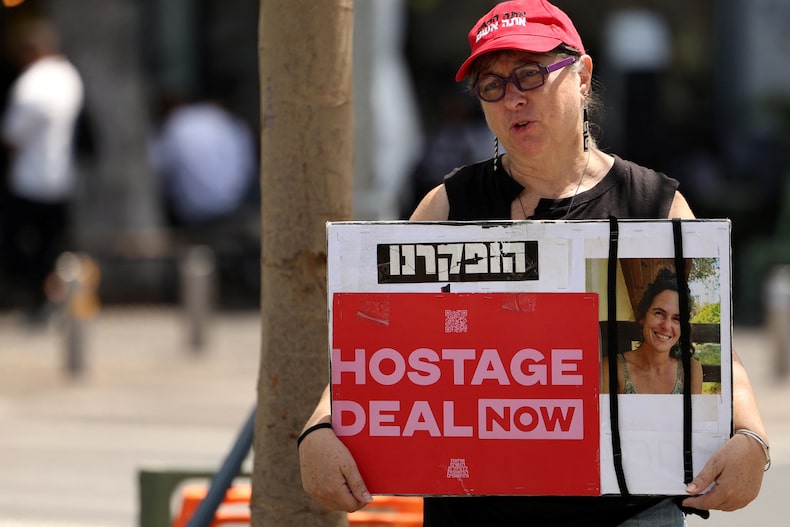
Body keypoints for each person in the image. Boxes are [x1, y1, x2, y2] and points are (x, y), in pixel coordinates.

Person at [298, 1, 769, 525]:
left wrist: (752, 437)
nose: (513, 99)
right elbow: (378, 340)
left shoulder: (652, 205)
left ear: (582, 75)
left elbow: (711, 344)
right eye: (491, 85)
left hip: (628, 507)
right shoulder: (450, 205)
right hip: (479, 504)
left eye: (529, 73)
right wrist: (320, 428)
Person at [0, 18, 84, 321]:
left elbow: (11, 136)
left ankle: (38, 298)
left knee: (18, 246)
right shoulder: (69, 77)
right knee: (52, 246)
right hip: (60, 178)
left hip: (29, 180)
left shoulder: (32, 83)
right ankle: (48, 298)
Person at [602, 268, 704, 395]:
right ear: (643, 317)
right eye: (659, 313)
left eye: (676, 318)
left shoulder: (691, 371)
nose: (666, 326)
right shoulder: (611, 369)